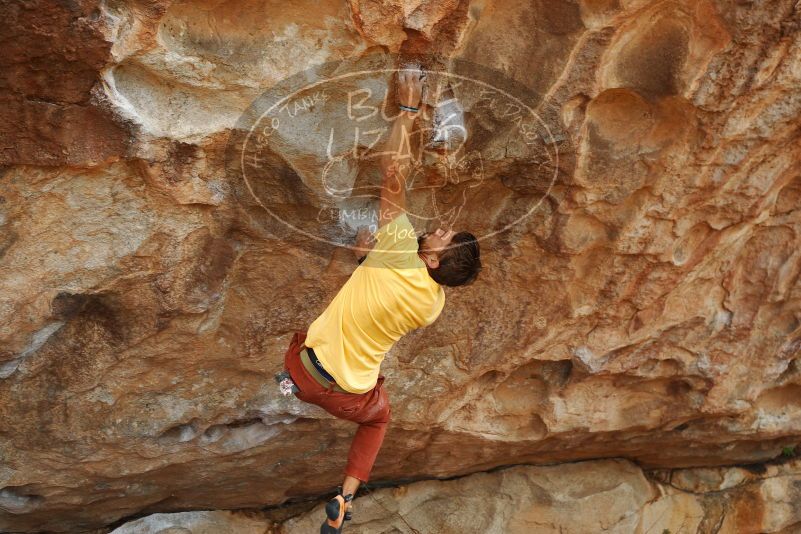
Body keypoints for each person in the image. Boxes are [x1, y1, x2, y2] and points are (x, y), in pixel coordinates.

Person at [280, 65, 482, 533]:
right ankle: (345, 499)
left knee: (334, 373)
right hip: (347, 396)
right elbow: (381, 292)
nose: (436, 229)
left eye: (441, 237)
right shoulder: (433, 305)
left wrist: (408, 111)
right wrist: (366, 262)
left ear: (433, 261)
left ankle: (295, 389)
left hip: (305, 371)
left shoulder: (396, 247)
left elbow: (393, 171)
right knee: (378, 421)